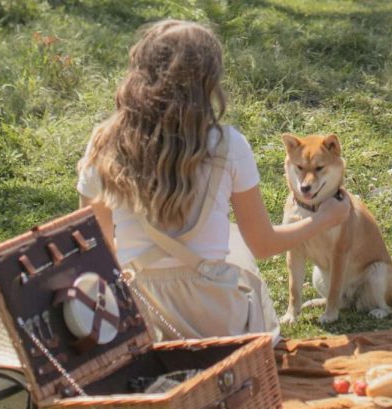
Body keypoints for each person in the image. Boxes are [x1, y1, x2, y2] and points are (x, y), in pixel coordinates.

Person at [77, 20, 351, 340]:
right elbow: (263, 244)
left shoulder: (104, 142)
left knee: (232, 240)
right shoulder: (228, 144)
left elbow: (91, 245)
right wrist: (326, 219)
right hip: (216, 322)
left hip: (137, 321)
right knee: (237, 246)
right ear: (208, 81)